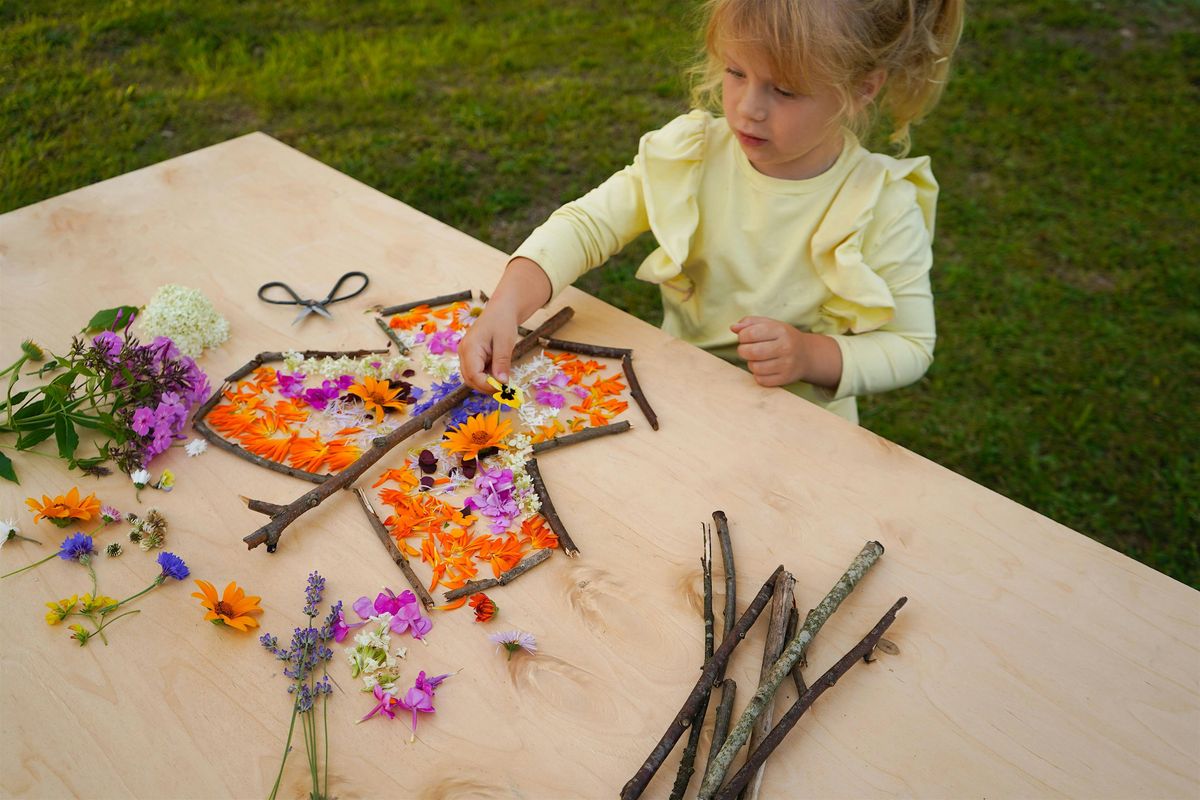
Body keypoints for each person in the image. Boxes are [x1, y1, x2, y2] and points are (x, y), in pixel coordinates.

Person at [459, 0, 965, 424]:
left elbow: (911, 345)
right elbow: (589, 225)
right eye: (736, 72)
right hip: (679, 397)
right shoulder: (694, 155)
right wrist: (508, 302)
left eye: (784, 90)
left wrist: (810, 355)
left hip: (800, 431)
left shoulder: (881, 203)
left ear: (863, 89)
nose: (748, 107)